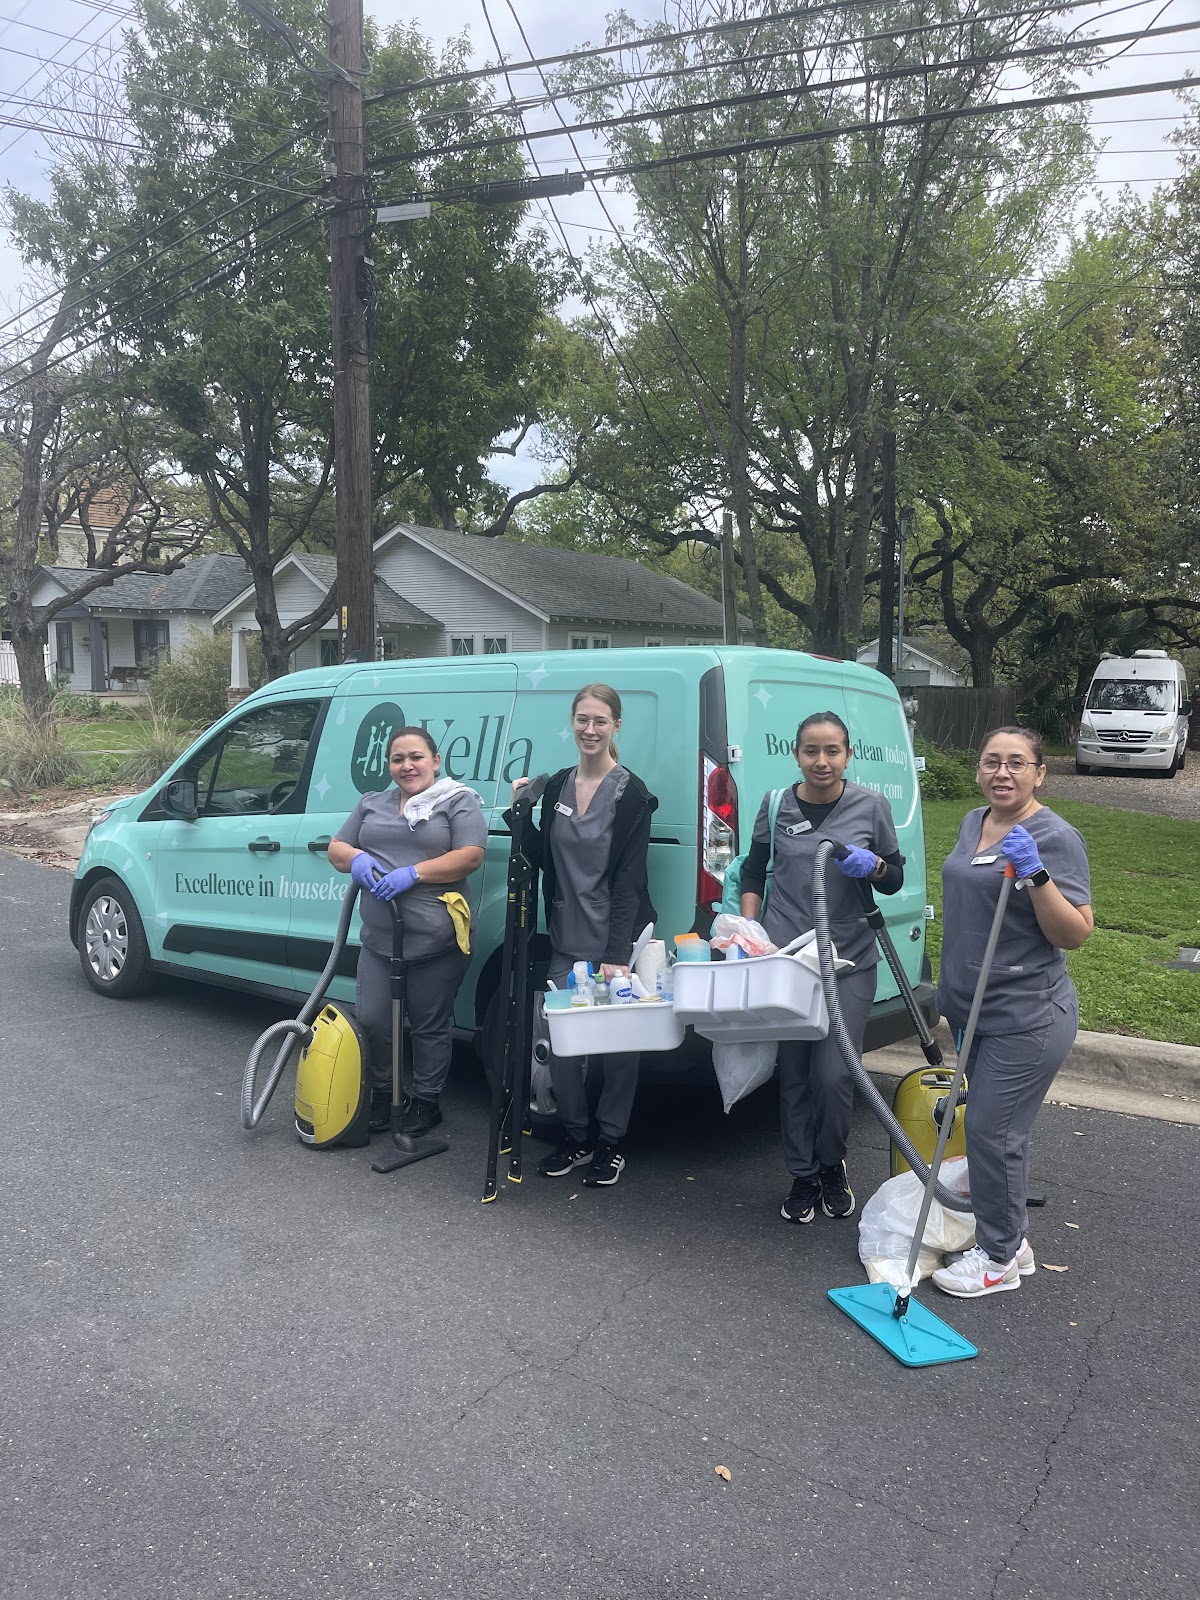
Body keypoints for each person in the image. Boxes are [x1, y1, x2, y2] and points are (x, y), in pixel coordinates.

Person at [931, 725, 1093, 1299]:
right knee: (998, 1134)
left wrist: (1036, 874)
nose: (1002, 772)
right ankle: (1012, 1241)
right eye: (991, 761)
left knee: (992, 1132)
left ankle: (998, 1257)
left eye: (1017, 763)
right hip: (971, 1010)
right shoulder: (973, 821)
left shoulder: (1055, 836)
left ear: (1040, 772)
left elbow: (1075, 932)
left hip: (1027, 1014)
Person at [740, 711, 904, 1225]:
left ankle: (833, 1164)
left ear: (848, 755)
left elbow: (895, 878)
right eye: (811, 750)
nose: (822, 761)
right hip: (789, 961)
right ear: (796, 754)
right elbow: (752, 869)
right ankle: (803, 1174)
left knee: (834, 1075)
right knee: (794, 1075)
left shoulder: (870, 806)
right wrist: (750, 931)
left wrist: (873, 866)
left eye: (832, 750)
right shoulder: (776, 805)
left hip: (848, 959)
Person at [510, 683, 658, 1187]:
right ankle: (575, 1137)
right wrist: (519, 812)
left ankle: (610, 1144)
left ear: (617, 725)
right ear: (571, 723)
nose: (590, 730)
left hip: (617, 937)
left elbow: (629, 881)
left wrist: (618, 955)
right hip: (565, 935)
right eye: (582, 720)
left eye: (600, 721)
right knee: (565, 1045)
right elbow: (540, 855)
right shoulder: (556, 787)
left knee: (618, 1048)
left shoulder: (631, 794)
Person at [328, 726, 485, 1138]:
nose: (407, 766)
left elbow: (470, 857)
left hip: (437, 941)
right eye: (398, 759)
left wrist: (414, 873)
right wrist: (358, 858)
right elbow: (336, 849)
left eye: (416, 757)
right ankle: (383, 1093)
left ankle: (426, 1101)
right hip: (379, 942)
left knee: (428, 1025)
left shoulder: (457, 801)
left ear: (435, 760)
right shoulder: (372, 803)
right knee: (376, 1019)